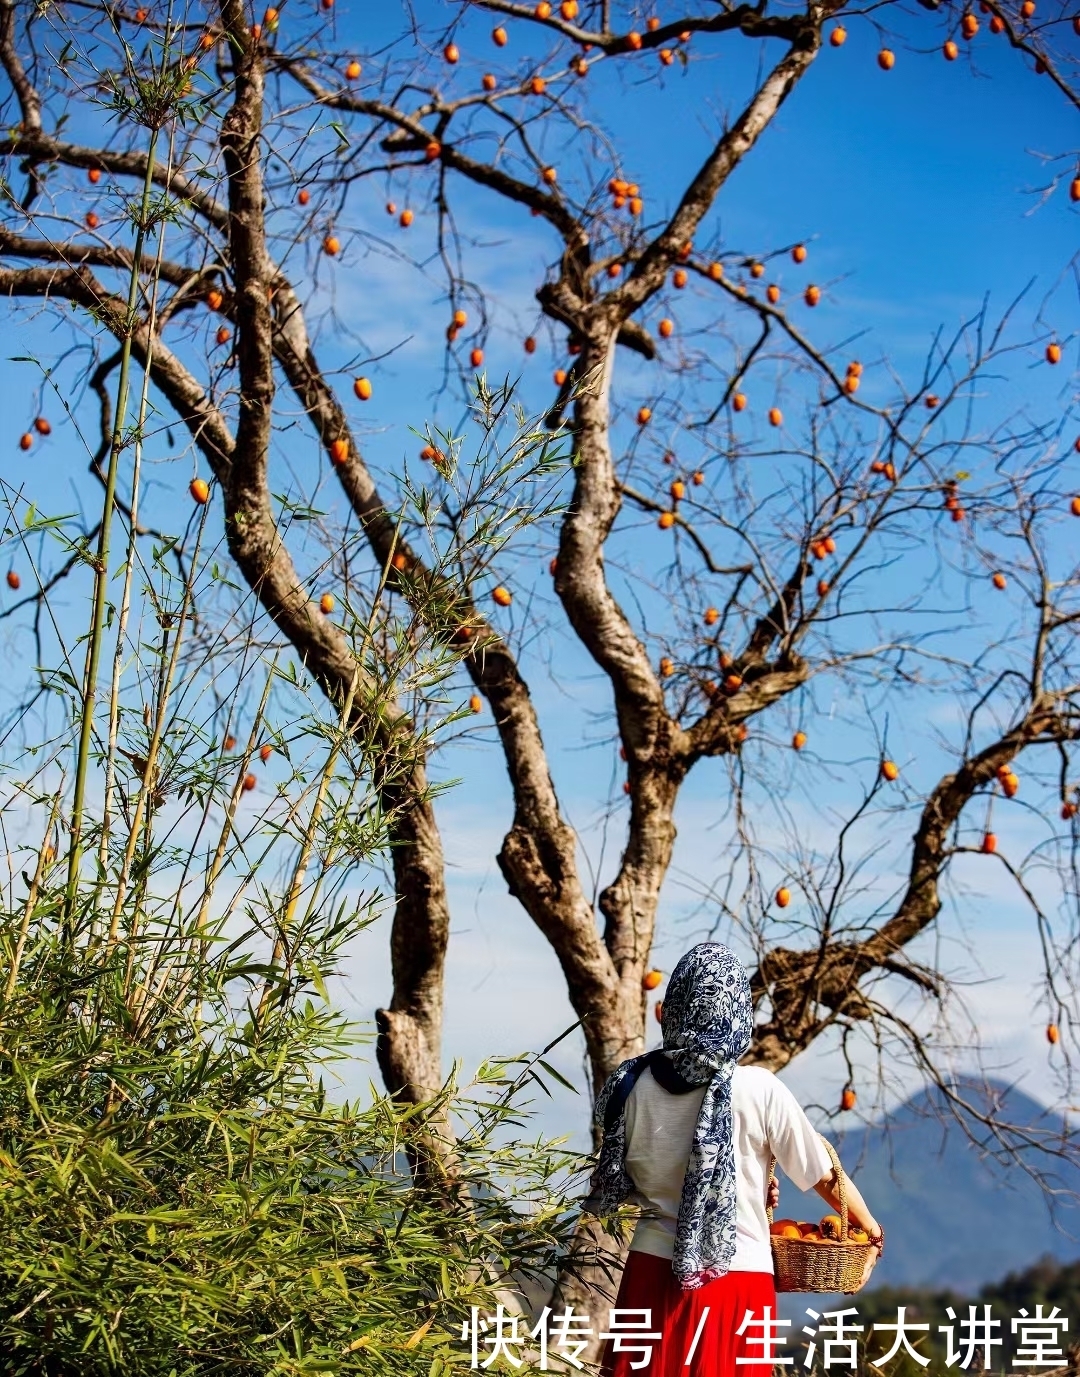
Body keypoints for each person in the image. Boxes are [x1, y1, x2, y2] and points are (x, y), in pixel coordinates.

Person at [585, 942, 884, 1377]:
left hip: (648, 1276)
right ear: (737, 1012)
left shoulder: (631, 1086)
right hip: (734, 1279)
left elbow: (630, 1180)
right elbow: (824, 1174)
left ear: (676, 1006)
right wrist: (871, 1231)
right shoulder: (758, 1089)